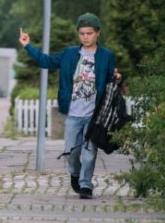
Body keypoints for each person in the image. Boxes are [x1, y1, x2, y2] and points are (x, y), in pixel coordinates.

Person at [18, 13, 121, 200]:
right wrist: (27, 46)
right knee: (70, 153)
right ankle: (75, 172)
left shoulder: (107, 56)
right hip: (73, 113)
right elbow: (46, 61)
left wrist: (117, 78)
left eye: (89, 33)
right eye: (82, 33)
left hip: (94, 114)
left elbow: (110, 82)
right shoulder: (69, 54)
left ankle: (86, 185)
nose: (85, 37)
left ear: (98, 33)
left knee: (90, 152)